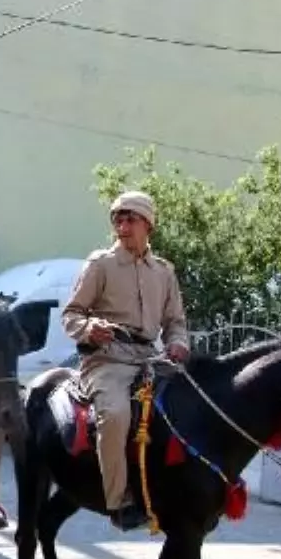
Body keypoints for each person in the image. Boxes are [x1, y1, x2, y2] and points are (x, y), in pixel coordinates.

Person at [62, 190, 190, 531]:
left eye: (130, 218)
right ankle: (118, 501)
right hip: (108, 360)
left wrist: (178, 343)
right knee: (116, 415)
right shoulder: (100, 264)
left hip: (151, 357)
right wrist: (90, 328)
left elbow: (175, 321)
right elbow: (71, 315)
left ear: (148, 224)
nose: (122, 224)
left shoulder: (163, 271)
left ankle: (180, 485)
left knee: (189, 406)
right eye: (117, 218)